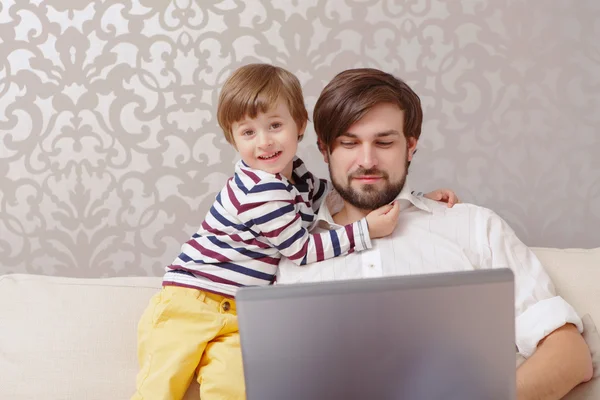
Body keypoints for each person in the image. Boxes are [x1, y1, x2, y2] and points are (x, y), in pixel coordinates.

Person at [132, 63, 458, 400]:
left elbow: (349, 190)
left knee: (235, 388)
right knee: (159, 387)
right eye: (248, 133)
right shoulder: (259, 189)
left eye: (275, 125)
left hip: (240, 315)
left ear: (300, 124)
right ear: (232, 139)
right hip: (190, 300)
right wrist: (365, 231)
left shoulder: (297, 179)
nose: (265, 142)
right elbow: (301, 251)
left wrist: (413, 200)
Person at [277, 68, 594, 400]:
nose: (367, 160)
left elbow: (569, 355)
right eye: (349, 143)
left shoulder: (472, 228)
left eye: (384, 142)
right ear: (326, 150)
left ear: (410, 146)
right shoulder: (292, 254)